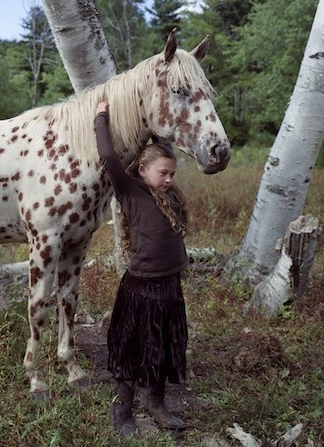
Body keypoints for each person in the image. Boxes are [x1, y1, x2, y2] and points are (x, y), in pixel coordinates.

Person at [94, 101, 189, 437]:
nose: (167, 179)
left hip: (169, 286)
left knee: (162, 344)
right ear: (143, 169)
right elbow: (108, 157)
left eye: (171, 174)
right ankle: (123, 409)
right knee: (133, 347)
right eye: (162, 173)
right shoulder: (129, 190)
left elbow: (173, 239)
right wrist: (101, 117)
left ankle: (157, 402)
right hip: (140, 287)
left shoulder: (173, 198)